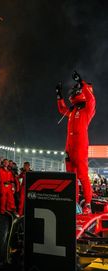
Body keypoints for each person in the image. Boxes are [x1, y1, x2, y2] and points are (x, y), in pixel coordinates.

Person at [56, 71, 96, 214]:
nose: (72, 93)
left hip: (80, 145)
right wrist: (59, 95)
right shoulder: (73, 111)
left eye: (75, 90)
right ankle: (74, 202)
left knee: (83, 175)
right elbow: (61, 109)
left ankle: (88, 204)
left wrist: (82, 82)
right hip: (69, 146)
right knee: (71, 176)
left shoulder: (87, 110)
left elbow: (92, 100)